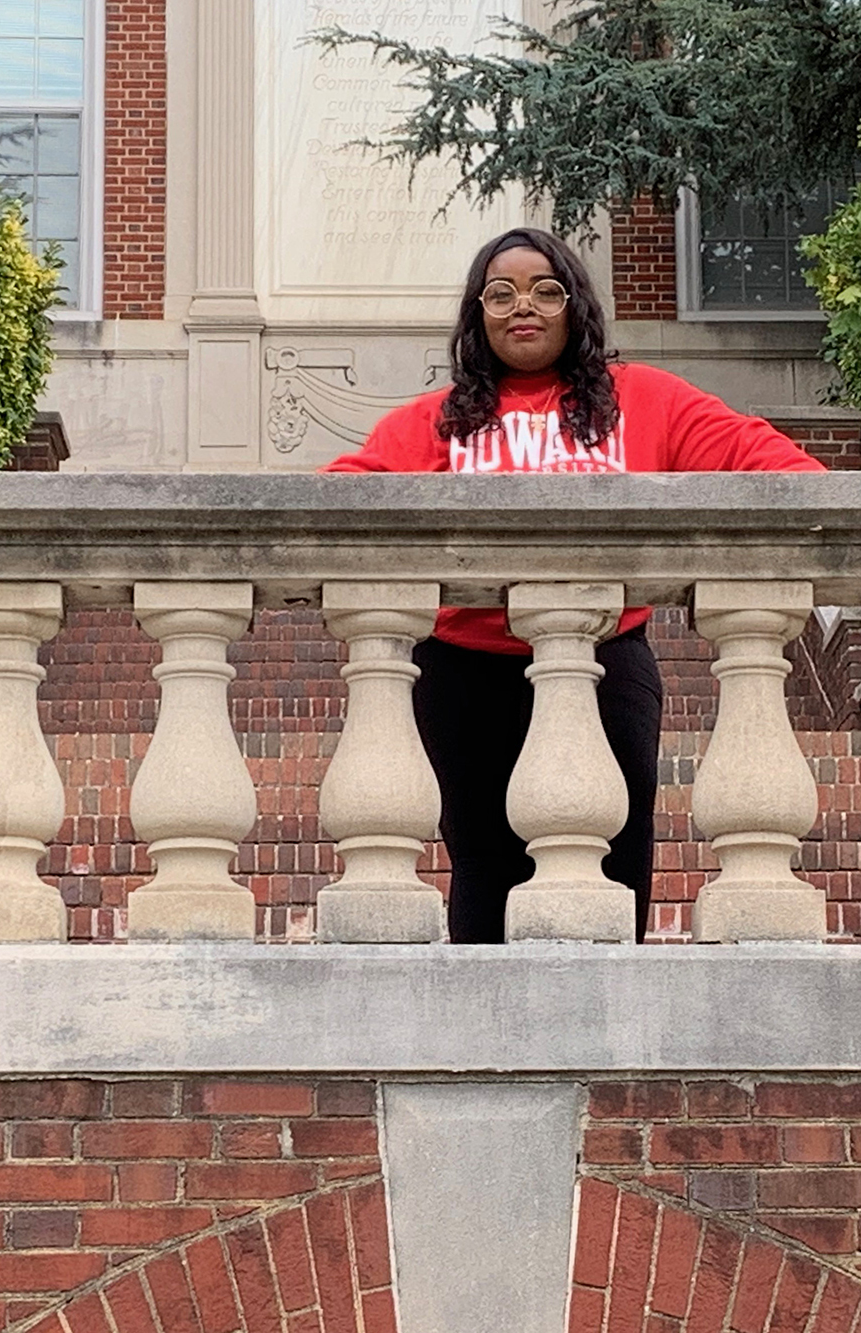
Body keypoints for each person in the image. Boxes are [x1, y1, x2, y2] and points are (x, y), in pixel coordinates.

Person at [325, 226, 825, 943]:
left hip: (604, 663)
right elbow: (341, 502)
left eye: (544, 289)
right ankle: (484, 1045)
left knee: (615, 863)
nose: (522, 306)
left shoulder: (646, 401)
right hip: (463, 674)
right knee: (483, 866)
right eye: (500, 293)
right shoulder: (437, 422)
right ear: (477, 314)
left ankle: (610, 1042)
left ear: (575, 306)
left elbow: (779, 471)